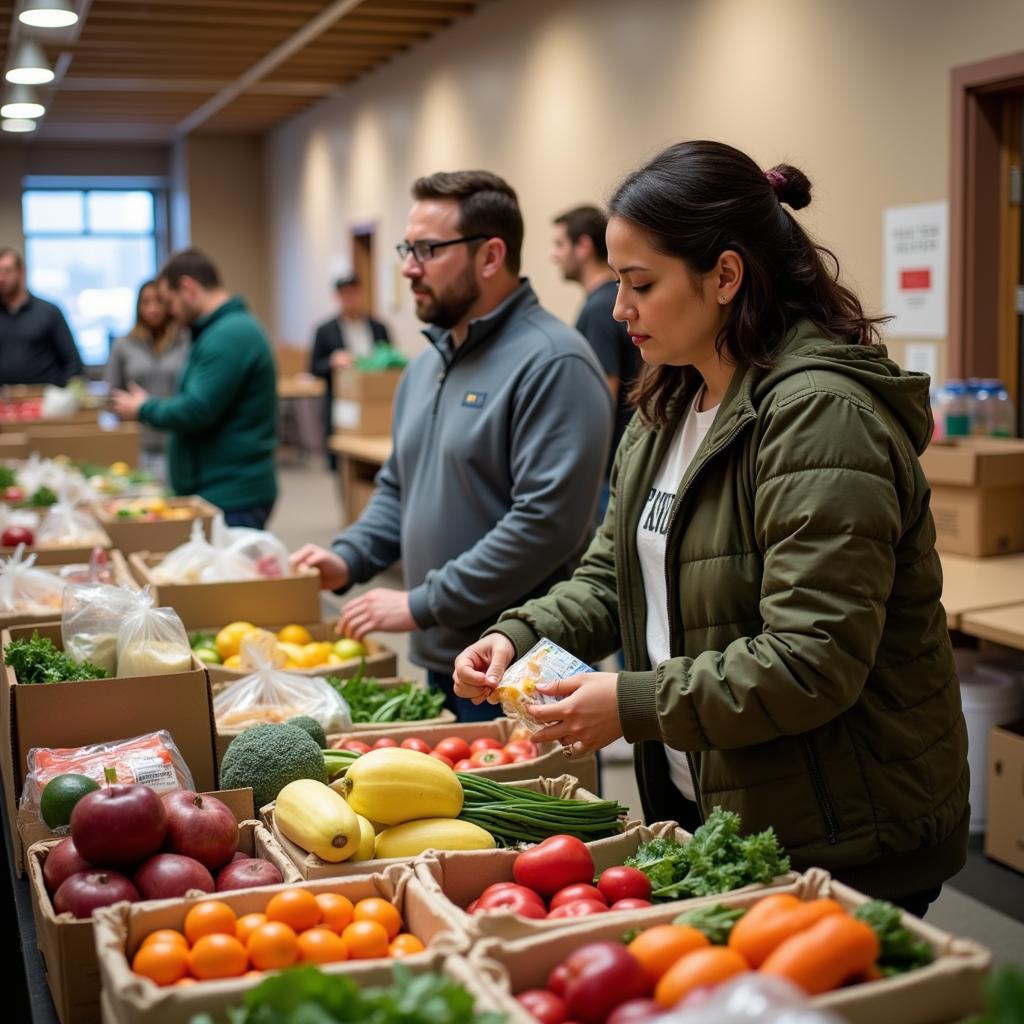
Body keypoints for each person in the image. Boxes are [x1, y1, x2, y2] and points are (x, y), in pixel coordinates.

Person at [454, 141, 969, 914]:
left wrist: (629, 702)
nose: (619, 309)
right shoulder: (667, 405)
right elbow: (609, 576)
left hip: (841, 827)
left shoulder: (820, 418)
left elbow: (810, 660)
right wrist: (521, 634)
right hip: (716, 799)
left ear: (725, 276)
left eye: (641, 284)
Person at [292, 170, 612, 721]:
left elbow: (544, 524)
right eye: (407, 248)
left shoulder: (554, 361)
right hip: (444, 654)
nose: (408, 267)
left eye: (427, 250)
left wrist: (422, 602)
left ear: (490, 256)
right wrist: (348, 555)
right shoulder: (425, 367)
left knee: (528, 808)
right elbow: (398, 487)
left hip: (517, 665)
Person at [111, 249, 278, 529]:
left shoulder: (228, 335)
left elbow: (197, 409)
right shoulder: (219, 331)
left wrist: (144, 407)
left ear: (187, 288)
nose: (169, 312)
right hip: (221, 488)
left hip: (233, 493)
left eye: (169, 301)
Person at [552, 205, 641, 517]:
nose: (554, 255)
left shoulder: (598, 309)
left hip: (608, 470)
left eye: (559, 244)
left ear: (584, 246)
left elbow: (601, 396)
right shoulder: (609, 302)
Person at [104, 279, 188, 477]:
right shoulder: (123, 345)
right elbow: (111, 395)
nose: (152, 309)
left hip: (178, 441)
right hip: (138, 443)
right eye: (146, 302)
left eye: (158, 301)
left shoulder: (186, 342)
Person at [309, 274, 392, 468]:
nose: (350, 299)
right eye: (344, 294)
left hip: (374, 401)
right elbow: (313, 368)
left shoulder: (378, 327)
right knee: (342, 463)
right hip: (341, 403)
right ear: (337, 297)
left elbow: (390, 359)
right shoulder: (325, 330)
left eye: (353, 293)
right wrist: (332, 361)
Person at [0, 247, 83, 386]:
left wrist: (60, 396)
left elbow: (73, 363)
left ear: (21, 272)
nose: (1, 278)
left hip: (43, 400)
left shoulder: (49, 312)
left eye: (7, 271)